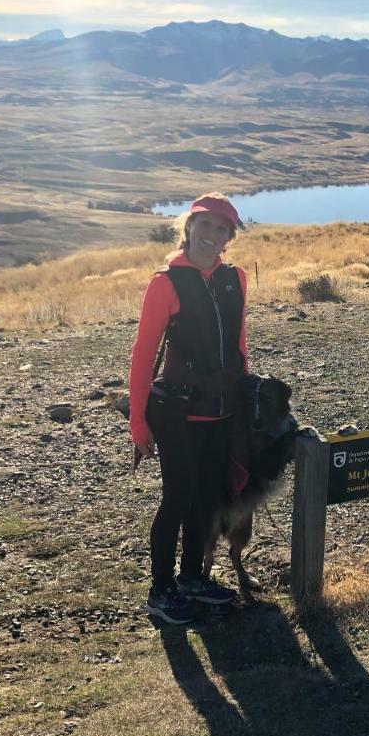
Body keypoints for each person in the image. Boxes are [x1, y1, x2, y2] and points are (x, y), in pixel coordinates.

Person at [129, 193, 249, 625]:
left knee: (206, 499)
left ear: (228, 237)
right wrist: (138, 420)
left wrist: (243, 396)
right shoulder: (166, 282)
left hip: (222, 411)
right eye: (206, 225)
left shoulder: (235, 278)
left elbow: (239, 343)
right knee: (178, 499)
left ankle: (193, 578)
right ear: (188, 228)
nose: (212, 235)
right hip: (179, 414)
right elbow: (143, 355)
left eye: (222, 229)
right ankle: (161, 591)